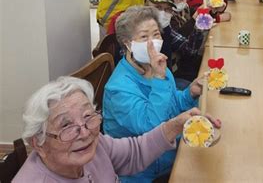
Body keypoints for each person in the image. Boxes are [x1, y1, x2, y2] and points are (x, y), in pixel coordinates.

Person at [14, 76, 219, 182]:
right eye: (66, 126)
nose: (84, 133)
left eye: (88, 117)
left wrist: (176, 124)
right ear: (37, 143)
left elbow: (134, 152)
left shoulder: (95, 145)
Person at [103, 6, 208, 181]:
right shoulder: (118, 89)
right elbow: (152, 129)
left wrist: (190, 93)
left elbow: (171, 105)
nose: (153, 42)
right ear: (128, 44)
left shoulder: (157, 66)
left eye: (156, 34)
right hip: (140, 172)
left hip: (170, 157)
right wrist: (159, 78)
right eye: (144, 37)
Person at [144, 0, 205, 83]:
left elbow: (189, 49)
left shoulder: (166, 28)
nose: (162, 13)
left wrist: (198, 27)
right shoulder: (136, 32)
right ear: (145, 6)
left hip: (168, 79)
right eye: (158, 7)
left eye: (167, 9)